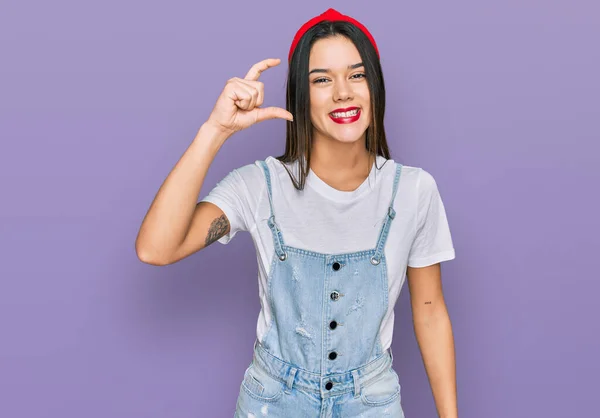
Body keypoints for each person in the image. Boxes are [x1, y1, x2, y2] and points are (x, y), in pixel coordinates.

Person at [136, 8, 458, 418]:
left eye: (356, 75)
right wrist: (215, 131)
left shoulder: (414, 191)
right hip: (271, 404)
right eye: (322, 79)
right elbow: (155, 249)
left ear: (374, 87)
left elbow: (430, 310)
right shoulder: (259, 186)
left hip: (371, 403)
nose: (343, 92)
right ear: (300, 96)